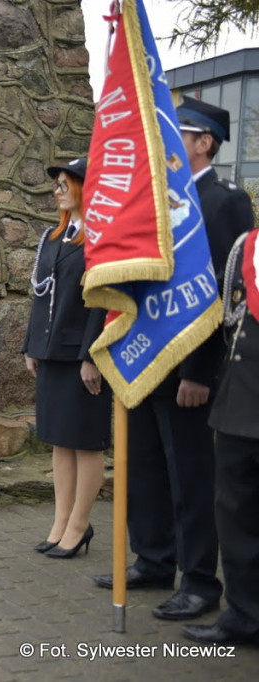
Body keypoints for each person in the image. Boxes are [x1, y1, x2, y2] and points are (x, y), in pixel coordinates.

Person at [93, 97, 254, 620]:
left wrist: (198, 372)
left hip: (188, 365)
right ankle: (154, 558)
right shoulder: (159, 198)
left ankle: (201, 580)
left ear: (204, 142)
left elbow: (224, 295)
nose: (165, 143)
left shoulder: (223, 200)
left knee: (190, 477)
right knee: (144, 468)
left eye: (178, 134)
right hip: (145, 358)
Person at [23, 157, 109, 559]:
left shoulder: (101, 238)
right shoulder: (53, 237)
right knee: (60, 441)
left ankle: (80, 525)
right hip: (53, 352)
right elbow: (40, 297)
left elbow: (100, 303)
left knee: (86, 442)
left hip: (82, 356)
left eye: (64, 182)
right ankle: (60, 522)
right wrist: (31, 345)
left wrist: (91, 356)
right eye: (55, 183)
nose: (56, 189)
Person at [182, 228, 259, 646]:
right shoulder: (247, 247)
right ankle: (244, 618)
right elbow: (224, 320)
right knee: (236, 523)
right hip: (238, 407)